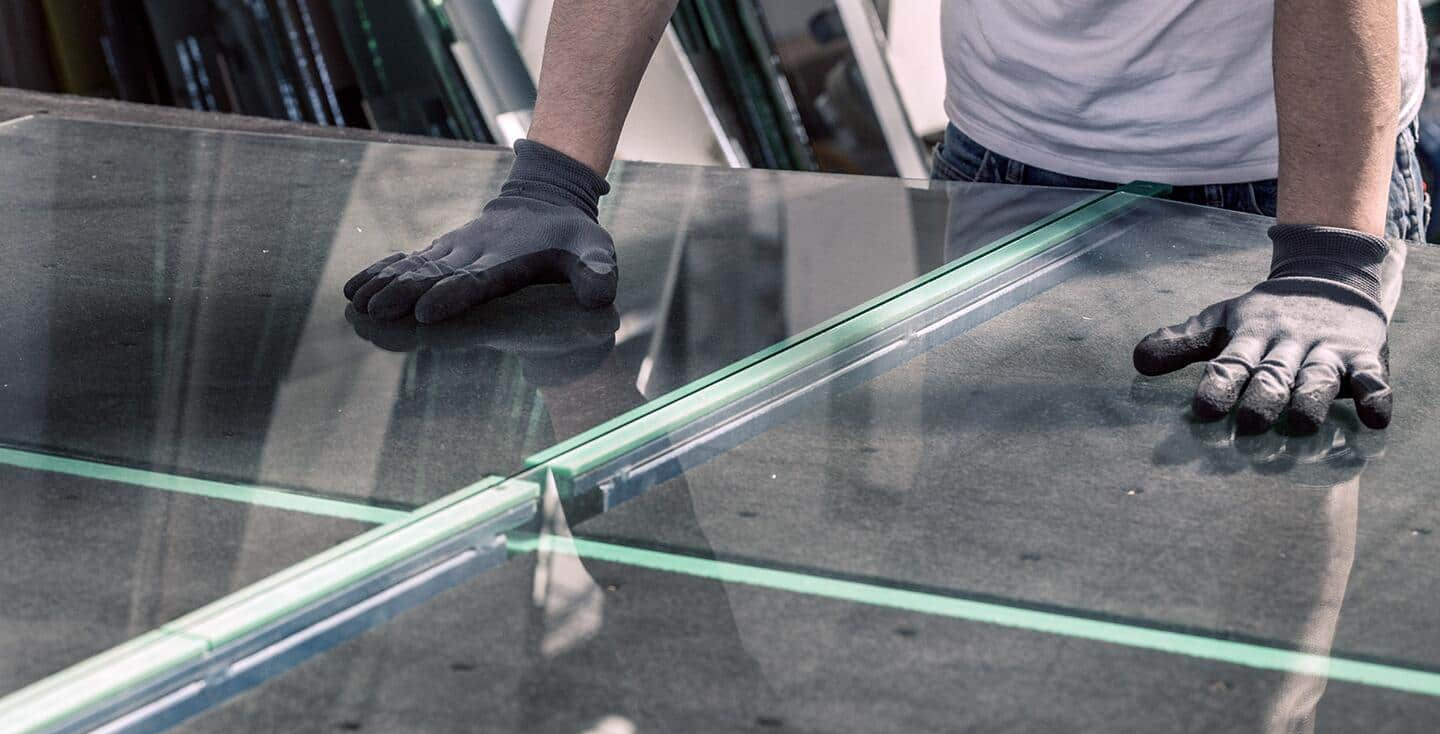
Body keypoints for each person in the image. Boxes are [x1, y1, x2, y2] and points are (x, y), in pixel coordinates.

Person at [343, 0, 1426, 434]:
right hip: (1004, 164)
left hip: (1281, 193)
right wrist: (553, 177)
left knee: (1262, 622)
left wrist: (1328, 257)